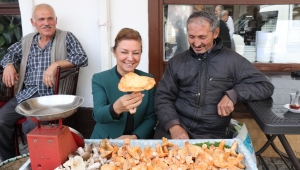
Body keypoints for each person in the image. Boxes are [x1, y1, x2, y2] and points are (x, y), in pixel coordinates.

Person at [153, 11, 274, 139]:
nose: (197, 43)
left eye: (202, 37)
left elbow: (265, 86)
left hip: (211, 134)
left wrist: (234, 94)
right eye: (191, 37)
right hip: (175, 128)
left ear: (215, 33)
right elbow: (163, 97)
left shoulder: (233, 60)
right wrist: (173, 126)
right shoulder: (177, 62)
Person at [0, 3, 88, 161]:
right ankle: (12, 160)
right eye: (41, 19)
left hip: (52, 97)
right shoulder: (28, 41)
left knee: (30, 125)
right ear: (33, 22)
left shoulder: (66, 37)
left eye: (50, 18)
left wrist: (55, 65)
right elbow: (10, 53)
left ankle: (35, 160)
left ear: (56, 20)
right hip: (27, 95)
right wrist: (8, 65)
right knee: (1, 119)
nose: (46, 23)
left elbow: (81, 57)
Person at [90, 28, 156, 140]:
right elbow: (98, 115)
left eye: (136, 53)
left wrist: (135, 137)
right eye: (124, 52)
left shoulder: (148, 80)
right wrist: (115, 108)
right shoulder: (100, 79)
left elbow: (151, 117)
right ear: (114, 52)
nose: (130, 58)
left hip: (137, 143)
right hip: (106, 140)